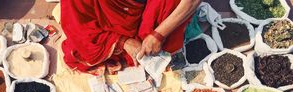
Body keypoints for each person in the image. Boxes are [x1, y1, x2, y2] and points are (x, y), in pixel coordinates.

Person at [61, 0, 202, 74]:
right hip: (109, 19)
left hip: (149, 9)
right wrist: (123, 42)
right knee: (83, 45)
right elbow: (78, 26)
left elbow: (192, 1)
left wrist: (159, 35)